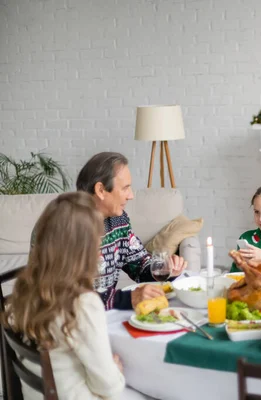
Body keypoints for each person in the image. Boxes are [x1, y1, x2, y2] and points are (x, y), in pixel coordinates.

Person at [3, 192, 147, 400]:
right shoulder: (83, 303)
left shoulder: (23, 290)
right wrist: (114, 370)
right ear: (84, 248)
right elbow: (110, 388)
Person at [76, 152, 187, 310]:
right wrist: (127, 299)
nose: (131, 195)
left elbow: (140, 266)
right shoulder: (66, 227)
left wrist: (166, 269)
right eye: (125, 188)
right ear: (101, 190)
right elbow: (64, 296)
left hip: (103, 317)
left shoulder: (118, 221)